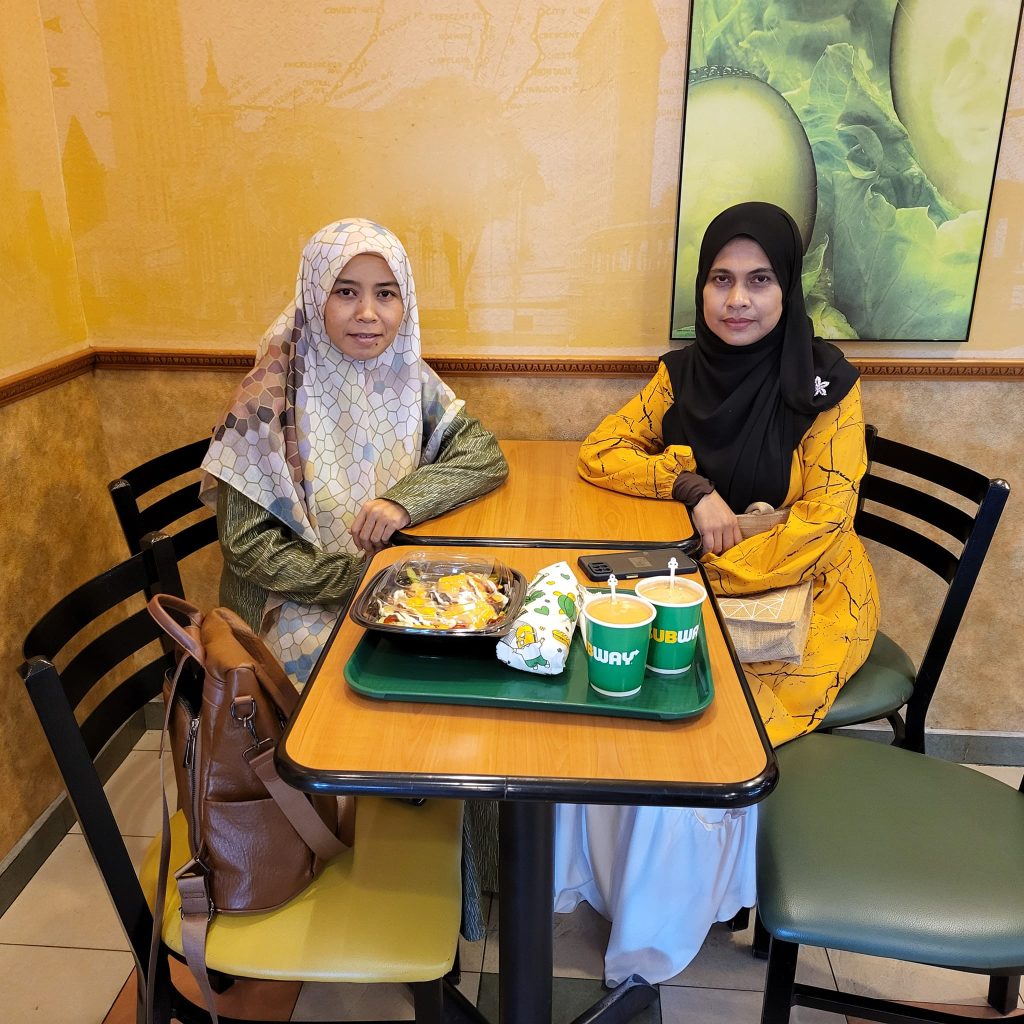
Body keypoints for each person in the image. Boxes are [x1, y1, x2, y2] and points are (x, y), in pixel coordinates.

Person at [553, 201, 879, 984]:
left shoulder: (826, 385)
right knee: (609, 690)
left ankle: (675, 922)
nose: (737, 300)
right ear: (701, 288)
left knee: (704, 733)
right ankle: (606, 885)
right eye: (721, 280)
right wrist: (690, 485)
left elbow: (826, 521)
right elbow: (601, 451)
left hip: (806, 597)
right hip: (695, 582)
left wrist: (703, 574)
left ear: (787, 287)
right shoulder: (681, 375)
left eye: (759, 281)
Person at [200, 219, 508, 938]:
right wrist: (366, 583)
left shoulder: (406, 375)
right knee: (432, 696)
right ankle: (403, 889)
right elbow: (247, 548)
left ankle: (458, 888)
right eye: (346, 292)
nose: (368, 314)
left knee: (478, 674)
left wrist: (404, 501)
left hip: (379, 590)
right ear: (314, 295)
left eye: (386, 293)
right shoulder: (270, 395)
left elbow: (484, 455)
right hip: (291, 610)